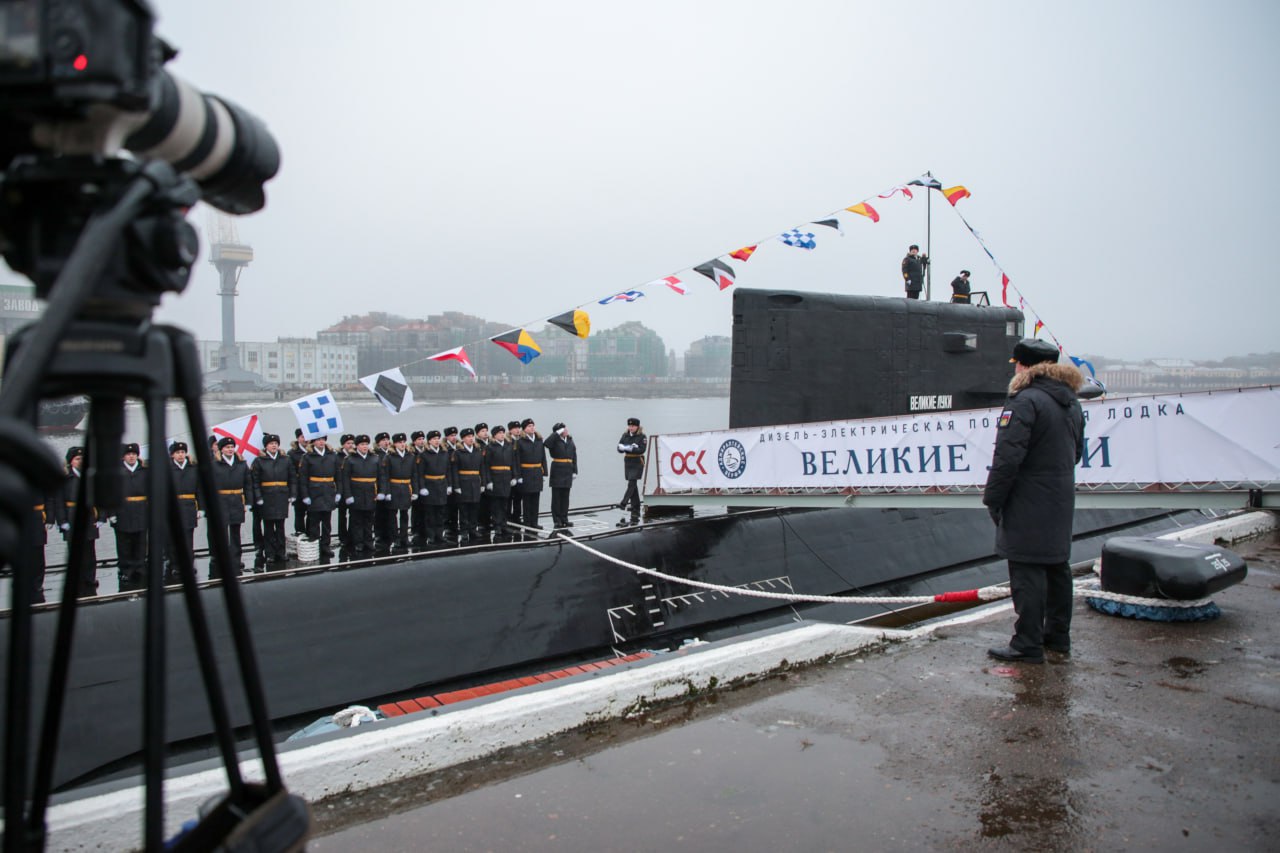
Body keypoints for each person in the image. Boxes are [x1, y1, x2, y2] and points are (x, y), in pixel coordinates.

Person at [983, 338, 1085, 664]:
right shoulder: (1070, 401)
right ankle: (1057, 638)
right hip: (1060, 497)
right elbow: (1077, 453)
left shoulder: (1024, 401)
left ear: (1024, 365)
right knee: (1056, 568)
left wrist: (993, 499)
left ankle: (1026, 644)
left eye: (1016, 363)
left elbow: (1007, 458)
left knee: (1026, 571)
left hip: (1027, 499)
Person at [52, 445, 99, 597]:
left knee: (90, 553)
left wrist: (101, 517)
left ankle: (90, 579)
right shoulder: (65, 478)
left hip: (88, 517)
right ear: (71, 461)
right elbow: (59, 501)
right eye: (78, 459)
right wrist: (62, 521)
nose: (81, 461)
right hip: (71, 517)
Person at [210, 436, 252, 578]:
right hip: (221, 501)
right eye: (227, 447)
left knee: (235, 532)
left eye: (232, 447)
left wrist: (248, 502)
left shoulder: (241, 464)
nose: (230, 449)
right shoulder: (214, 465)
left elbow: (247, 484)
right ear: (221, 449)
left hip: (236, 500)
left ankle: (236, 560)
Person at [250, 433, 294, 566]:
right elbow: (255, 481)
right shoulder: (259, 461)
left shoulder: (285, 460)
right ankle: (270, 553)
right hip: (267, 496)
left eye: (276, 443)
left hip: (281, 496)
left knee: (280, 526)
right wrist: (258, 497)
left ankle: (281, 552)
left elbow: (292, 478)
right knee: (268, 526)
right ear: (266, 446)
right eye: (271, 444)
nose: (274, 446)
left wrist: (292, 494)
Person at [298, 433, 340, 557]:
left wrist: (338, 492)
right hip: (314, 492)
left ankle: (325, 545)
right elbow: (303, 478)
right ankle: (314, 544)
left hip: (328, 491)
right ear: (313, 442)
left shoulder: (332, 456)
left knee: (327, 521)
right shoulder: (308, 457)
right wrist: (305, 495)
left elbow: (338, 476)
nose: (321, 442)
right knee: (314, 521)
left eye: (323, 440)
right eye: (318, 440)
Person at [113, 442, 148, 590]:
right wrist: (111, 513)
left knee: (140, 542)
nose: (131, 456)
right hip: (123, 511)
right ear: (123, 457)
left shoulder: (144, 472)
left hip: (141, 510)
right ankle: (126, 570)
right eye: (128, 454)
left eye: (134, 454)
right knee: (124, 544)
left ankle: (140, 568)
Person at [341, 434, 380, 555]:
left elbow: (380, 477)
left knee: (369, 519)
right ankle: (358, 543)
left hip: (370, 493)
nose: (365, 446)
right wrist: (348, 495)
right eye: (362, 444)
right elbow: (345, 479)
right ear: (357, 446)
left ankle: (368, 541)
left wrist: (380, 492)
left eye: (366, 444)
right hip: (356, 493)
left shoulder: (374, 459)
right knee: (357, 520)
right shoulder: (350, 459)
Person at [167, 441, 200, 581]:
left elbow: (199, 490)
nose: (180, 455)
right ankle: (175, 564)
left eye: (182, 452)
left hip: (189, 506)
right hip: (173, 507)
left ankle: (188, 565)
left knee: (188, 538)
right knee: (174, 539)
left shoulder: (193, 468)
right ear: (172, 455)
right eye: (177, 453)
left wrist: (201, 508)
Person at [381, 432, 418, 551]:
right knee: (392, 515)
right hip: (394, 487)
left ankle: (404, 538)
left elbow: (414, 475)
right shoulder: (389, 457)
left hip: (406, 487)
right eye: (399, 442)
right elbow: (385, 476)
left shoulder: (410, 456)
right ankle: (395, 538)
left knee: (404, 514)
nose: (402, 444)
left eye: (403, 442)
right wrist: (387, 492)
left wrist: (415, 491)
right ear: (395, 444)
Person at [416, 429, 451, 545]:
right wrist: (422, 487)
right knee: (430, 514)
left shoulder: (444, 453)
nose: (436, 441)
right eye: (434, 439)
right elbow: (420, 473)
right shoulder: (424, 455)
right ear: (429, 441)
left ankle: (439, 535)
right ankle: (431, 535)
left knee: (441, 513)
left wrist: (449, 485)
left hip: (441, 485)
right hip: (430, 486)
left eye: (438, 438)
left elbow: (448, 471)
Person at [450, 428, 485, 542]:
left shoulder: (477, 451)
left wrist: (483, 483)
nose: (471, 439)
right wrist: (456, 486)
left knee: (475, 507)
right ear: (463, 439)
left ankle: (473, 529)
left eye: (472, 436)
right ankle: (464, 530)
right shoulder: (458, 453)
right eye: (468, 437)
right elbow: (454, 471)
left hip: (475, 482)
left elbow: (482, 469)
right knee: (464, 509)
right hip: (463, 483)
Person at [483, 423, 516, 541]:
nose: (502, 435)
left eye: (503, 433)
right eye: (499, 433)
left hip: (506, 478)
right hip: (496, 478)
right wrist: (488, 481)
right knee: (496, 504)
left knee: (505, 503)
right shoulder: (490, 447)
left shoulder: (509, 446)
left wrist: (514, 477)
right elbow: (486, 466)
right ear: (494, 435)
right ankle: (497, 525)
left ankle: (504, 524)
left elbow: (513, 463)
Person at [543, 421, 577, 531]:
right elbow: (546, 444)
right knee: (556, 497)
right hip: (558, 470)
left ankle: (564, 518)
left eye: (565, 428)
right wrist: (556, 434)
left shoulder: (570, 440)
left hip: (568, 470)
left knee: (565, 497)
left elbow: (574, 455)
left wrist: (575, 471)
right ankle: (557, 520)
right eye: (563, 429)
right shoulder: (554, 440)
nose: (566, 430)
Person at [514, 418, 545, 533]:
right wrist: (518, 476)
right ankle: (527, 522)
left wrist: (544, 472)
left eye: (533, 425)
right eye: (529, 426)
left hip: (537, 472)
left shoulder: (539, 440)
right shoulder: (520, 442)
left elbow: (543, 458)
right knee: (527, 499)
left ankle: (534, 522)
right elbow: (517, 460)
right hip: (526, 472)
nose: (532, 428)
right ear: (524, 429)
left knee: (536, 498)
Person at [616, 417, 646, 526]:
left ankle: (623, 503)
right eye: (629, 426)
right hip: (628, 461)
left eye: (633, 426)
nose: (631, 427)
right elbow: (619, 448)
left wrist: (632, 448)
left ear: (637, 426)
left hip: (637, 461)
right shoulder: (625, 435)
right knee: (633, 485)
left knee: (632, 483)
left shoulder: (642, 436)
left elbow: (642, 449)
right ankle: (635, 507)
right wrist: (622, 448)